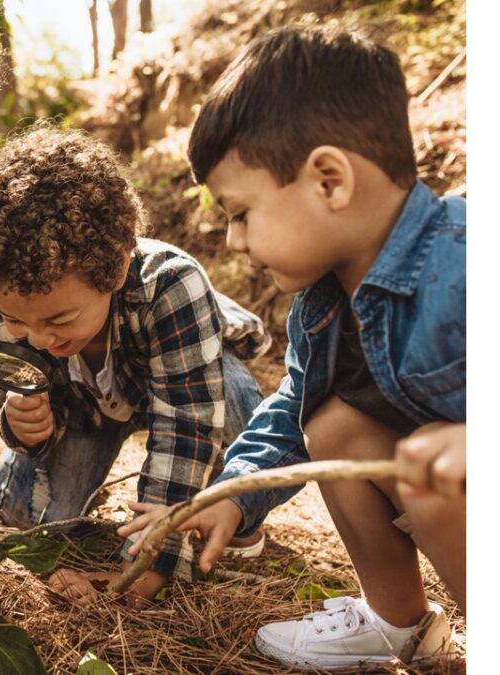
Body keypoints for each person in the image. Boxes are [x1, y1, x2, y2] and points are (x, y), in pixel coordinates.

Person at [126, 25, 465, 669]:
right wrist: (231, 491)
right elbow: (289, 411)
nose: (231, 241)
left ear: (329, 182)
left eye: (240, 212)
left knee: (433, 465)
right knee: (332, 424)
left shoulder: (465, 264)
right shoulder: (321, 305)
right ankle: (397, 624)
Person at [0, 126, 272, 603]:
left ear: (117, 267)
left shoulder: (171, 285)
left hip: (181, 378)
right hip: (86, 411)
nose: (39, 338)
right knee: (28, 516)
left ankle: (235, 510)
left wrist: (149, 560)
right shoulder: (10, 314)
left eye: (59, 318)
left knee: (238, 404)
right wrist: (25, 428)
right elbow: (14, 397)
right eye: (20, 320)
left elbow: (185, 423)